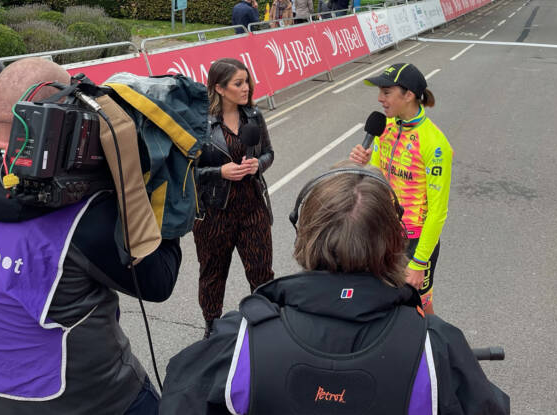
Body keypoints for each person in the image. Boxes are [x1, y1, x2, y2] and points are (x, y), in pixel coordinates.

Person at [0, 57, 183, 414]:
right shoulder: (81, 215)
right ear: (63, 119)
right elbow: (158, 281)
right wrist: (163, 195)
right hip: (97, 399)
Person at [160, 162, 510, 415]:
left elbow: (177, 399)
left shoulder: (238, 339)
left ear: (303, 235)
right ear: (396, 244)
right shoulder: (435, 346)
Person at [349, 63, 452, 315]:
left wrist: (419, 262)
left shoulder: (435, 144)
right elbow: (377, 179)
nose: (379, 98)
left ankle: (433, 347)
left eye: (386, 92)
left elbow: (437, 213)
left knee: (418, 307)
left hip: (414, 242)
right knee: (380, 300)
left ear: (408, 95)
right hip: (384, 231)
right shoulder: (386, 128)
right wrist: (364, 165)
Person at [193, 58, 274, 339]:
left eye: (247, 81)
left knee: (262, 272)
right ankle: (212, 329)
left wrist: (258, 165)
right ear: (219, 88)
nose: (246, 88)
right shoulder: (199, 123)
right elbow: (187, 172)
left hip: (253, 207)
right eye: (238, 83)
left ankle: (265, 325)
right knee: (213, 274)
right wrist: (220, 172)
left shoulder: (254, 116)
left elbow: (268, 153)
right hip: (214, 213)